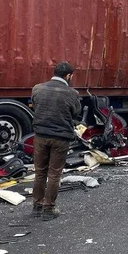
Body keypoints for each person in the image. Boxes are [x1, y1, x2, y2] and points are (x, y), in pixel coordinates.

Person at [31, 62, 81, 220]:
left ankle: (36, 206)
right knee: (54, 174)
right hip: (60, 138)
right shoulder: (72, 93)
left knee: (40, 172)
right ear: (68, 76)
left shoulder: (37, 89)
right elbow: (76, 113)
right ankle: (48, 209)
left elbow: (36, 107)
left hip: (40, 136)